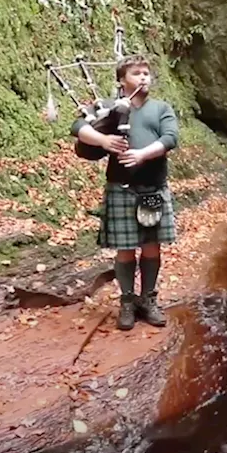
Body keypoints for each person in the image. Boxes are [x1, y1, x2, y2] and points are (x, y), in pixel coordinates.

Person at [73, 54, 179, 330]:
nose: (144, 77)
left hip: (153, 188)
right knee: (125, 250)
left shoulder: (161, 108)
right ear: (122, 80)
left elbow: (170, 139)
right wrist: (104, 140)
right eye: (136, 73)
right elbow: (78, 127)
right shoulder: (108, 107)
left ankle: (148, 299)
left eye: (146, 72)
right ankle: (128, 302)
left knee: (151, 247)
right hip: (121, 188)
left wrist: (143, 154)